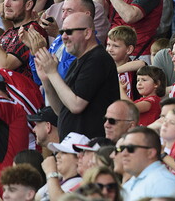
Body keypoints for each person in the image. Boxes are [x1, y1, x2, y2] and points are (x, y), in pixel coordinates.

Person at [34, 11, 120, 139]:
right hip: (74, 146)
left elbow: (76, 105)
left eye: (69, 32)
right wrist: (46, 79)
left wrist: (52, 72)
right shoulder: (77, 61)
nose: (63, 37)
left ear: (87, 33)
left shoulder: (98, 59)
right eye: (62, 31)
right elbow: (60, 110)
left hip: (90, 147)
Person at [121, 127, 175, 201]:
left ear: (150, 153)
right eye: (122, 148)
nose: (124, 153)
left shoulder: (164, 183)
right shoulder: (131, 182)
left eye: (130, 148)